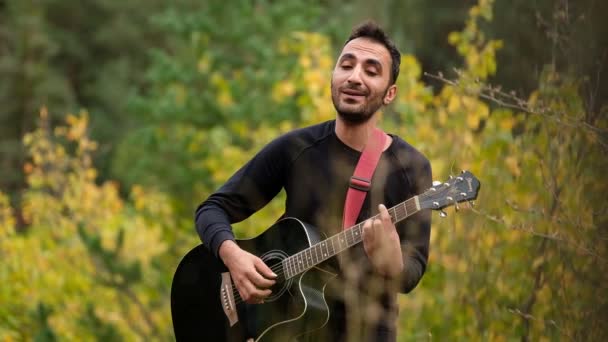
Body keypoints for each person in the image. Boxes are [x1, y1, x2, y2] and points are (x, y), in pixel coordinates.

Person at [195, 21, 432, 342]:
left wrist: (393, 264)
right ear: (333, 77)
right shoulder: (296, 149)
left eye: (371, 71)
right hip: (284, 333)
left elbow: (413, 270)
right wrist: (233, 257)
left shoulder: (410, 166)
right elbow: (212, 210)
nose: (354, 77)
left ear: (390, 93)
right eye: (346, 65)